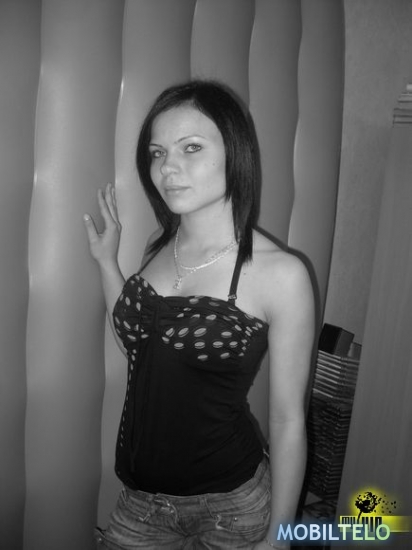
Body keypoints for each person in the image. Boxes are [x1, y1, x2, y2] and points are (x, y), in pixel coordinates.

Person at [84, 79, 315, 549]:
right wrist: (107, 263)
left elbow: (289, 420)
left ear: (235, 151)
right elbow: (139, 347)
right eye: (157, 152)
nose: (167, 167)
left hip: (231, 507)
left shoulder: (281, 274)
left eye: (190, 147)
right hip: (142, 500)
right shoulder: (160, 247)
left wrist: (281, 537)